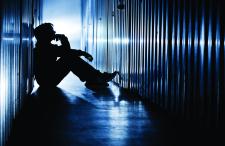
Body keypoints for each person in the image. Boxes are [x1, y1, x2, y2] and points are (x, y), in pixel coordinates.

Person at [33, 23, 118, 89]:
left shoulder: (43, 46)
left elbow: (66, 51)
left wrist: (82, 53)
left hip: (46, 80)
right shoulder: (44, 48)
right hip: (47, 81)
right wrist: (64, 39)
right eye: (52, 31)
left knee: (70, 58)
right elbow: (67, 51)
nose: (54, 32)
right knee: (70, 58)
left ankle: (95, 79)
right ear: (46, 34)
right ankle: (97, 78)